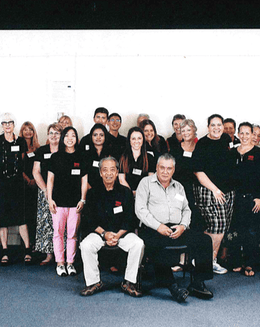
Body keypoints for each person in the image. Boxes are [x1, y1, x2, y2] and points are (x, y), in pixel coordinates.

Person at [136, 154, 214, 303]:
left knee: (204, 240)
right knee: (157, 245)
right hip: (153, 228)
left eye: (169, 168)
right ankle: (173, 287)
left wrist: (183, 226)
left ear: (173, 170)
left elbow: (186, 210)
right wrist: (158, 226)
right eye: (162, 168)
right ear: (157, 168)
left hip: (176, 228)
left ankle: (198, 283)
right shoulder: (145, 183)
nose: (165, 172)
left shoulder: (178, 187)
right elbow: (140, 209)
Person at [79, 157, 144, 297]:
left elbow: (130, 219)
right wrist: (105, 234)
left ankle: (129, 282)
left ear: (116, 172)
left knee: (138, 244)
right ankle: (94, 282)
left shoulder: (125, 192)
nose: (109, 173)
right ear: (100, 173)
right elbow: (89, 220)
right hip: (100, 234)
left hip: (122, 234)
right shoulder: (93, 193)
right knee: (85, 245)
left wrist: (117, 235)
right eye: (105, 170)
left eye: (112, 170)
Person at [192, 114, 235, 274]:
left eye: (219, 125)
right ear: (208, 127)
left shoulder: (226, 139)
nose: (216, 128)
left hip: (227, 191)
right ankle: (202, 258)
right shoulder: (202, 144)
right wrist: (215, 190)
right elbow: (198, 172)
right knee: (217, 225)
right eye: (213, 125)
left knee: (223, 226)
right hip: (209, 190)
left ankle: (210, 260)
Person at [0, 113, 30, 265]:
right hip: (0, 185)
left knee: (21, 217)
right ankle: (4, 251)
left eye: (10, 122)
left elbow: (23, 162)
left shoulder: (21, 141)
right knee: (2, 219)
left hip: (17, 184)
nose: (7, 125)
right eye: (4, 123)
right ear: (2, 125)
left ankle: (27, 249)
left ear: (14, 124)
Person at [227, 122, 260, 277]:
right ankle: (236, 261)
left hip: (251, 199)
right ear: (238, 134)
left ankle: (250, 263)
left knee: (251, 232)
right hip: (234, 198)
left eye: (247, 133)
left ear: (252, 135)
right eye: (241, 133)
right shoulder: (232, 152)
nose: (244, 136)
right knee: (235, 230)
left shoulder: (258, 153)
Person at [48, 126, 88, 276]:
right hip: (58, 202)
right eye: (67, 135)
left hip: (75, 203)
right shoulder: (55, 157)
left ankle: (70, 263)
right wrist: (50, 199)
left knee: (72, 234)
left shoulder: (81, 157)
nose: (70, 138)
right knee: (58, 233)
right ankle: (60, 263)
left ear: (76, 139)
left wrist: (83, 199)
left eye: (73, 135)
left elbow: (84, 181)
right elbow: (50, 180)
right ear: (62, 138)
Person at [32, 123, 62, 265]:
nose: (54, 136)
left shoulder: (65, 150)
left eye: (57, 133)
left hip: (62, 192)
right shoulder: (42, 151)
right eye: (51, 133)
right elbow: (35, 171)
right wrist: (45, 190)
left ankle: (61, 254)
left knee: (61, 223)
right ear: (47, 135)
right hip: (44, 191)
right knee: (46, 224)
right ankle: (49, 254)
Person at [19, 121, 40, 261]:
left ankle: (35, 244)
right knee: (25, 215)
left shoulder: (38, 148)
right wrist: (28, 180)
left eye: (30, 129)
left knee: (35, 215)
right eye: (25, 129)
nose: (28, 132)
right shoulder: (19, 148)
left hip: (37, 185)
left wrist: (35, 180)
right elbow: (19, 167)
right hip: (24, 185)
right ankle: (26, 245)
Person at [118, 127, 155, 193]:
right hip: (126, 193)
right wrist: (131, 193)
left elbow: (150, 179)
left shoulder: (150, 158)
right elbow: (121, 179)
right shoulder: (123, 157)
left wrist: (140, 193)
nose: (136, 141)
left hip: (144, 193)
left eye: (139, 138)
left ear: (143, 140)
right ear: (129, 140)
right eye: (133, 139)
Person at [82, 123, 111, 191]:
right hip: (89, 189)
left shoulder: (110, 153)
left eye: (101, 135)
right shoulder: (85, 154)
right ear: (91, 137)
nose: (98, 138)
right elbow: (83, 174)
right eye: (95, 135)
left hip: (108, 188)